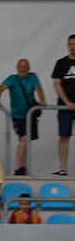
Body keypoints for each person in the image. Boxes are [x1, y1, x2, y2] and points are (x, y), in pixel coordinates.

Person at [52, 33, 75, 176]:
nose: (73, 46)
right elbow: (56, 84)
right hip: (65, 107)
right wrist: (67, 102)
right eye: (71, 44)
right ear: (68, 45)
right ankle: (62, 168)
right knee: (64, 136)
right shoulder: (61, 63)